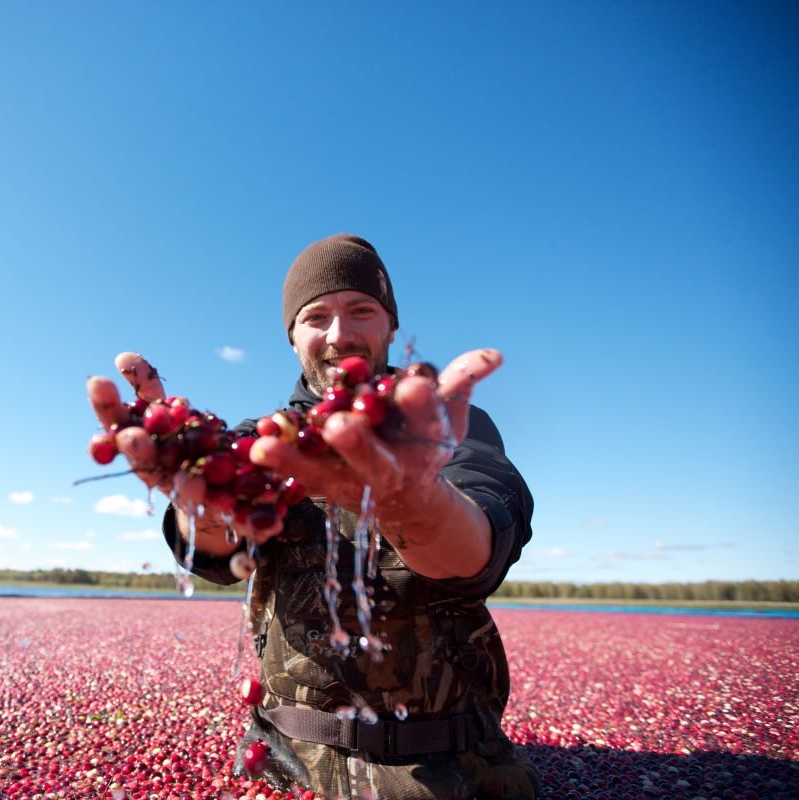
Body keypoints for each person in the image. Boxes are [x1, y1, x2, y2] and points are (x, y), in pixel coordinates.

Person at [86, 234, 538, 799]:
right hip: (283, 762)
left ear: (391, 327)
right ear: (292, 337)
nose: (340, 334)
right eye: (316, 317)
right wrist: (196, 505)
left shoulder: (443, 426)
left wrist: (412, 500)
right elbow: (220, 555)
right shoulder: (257, 442)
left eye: (361, 311)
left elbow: (480, 549)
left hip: (453, 768)